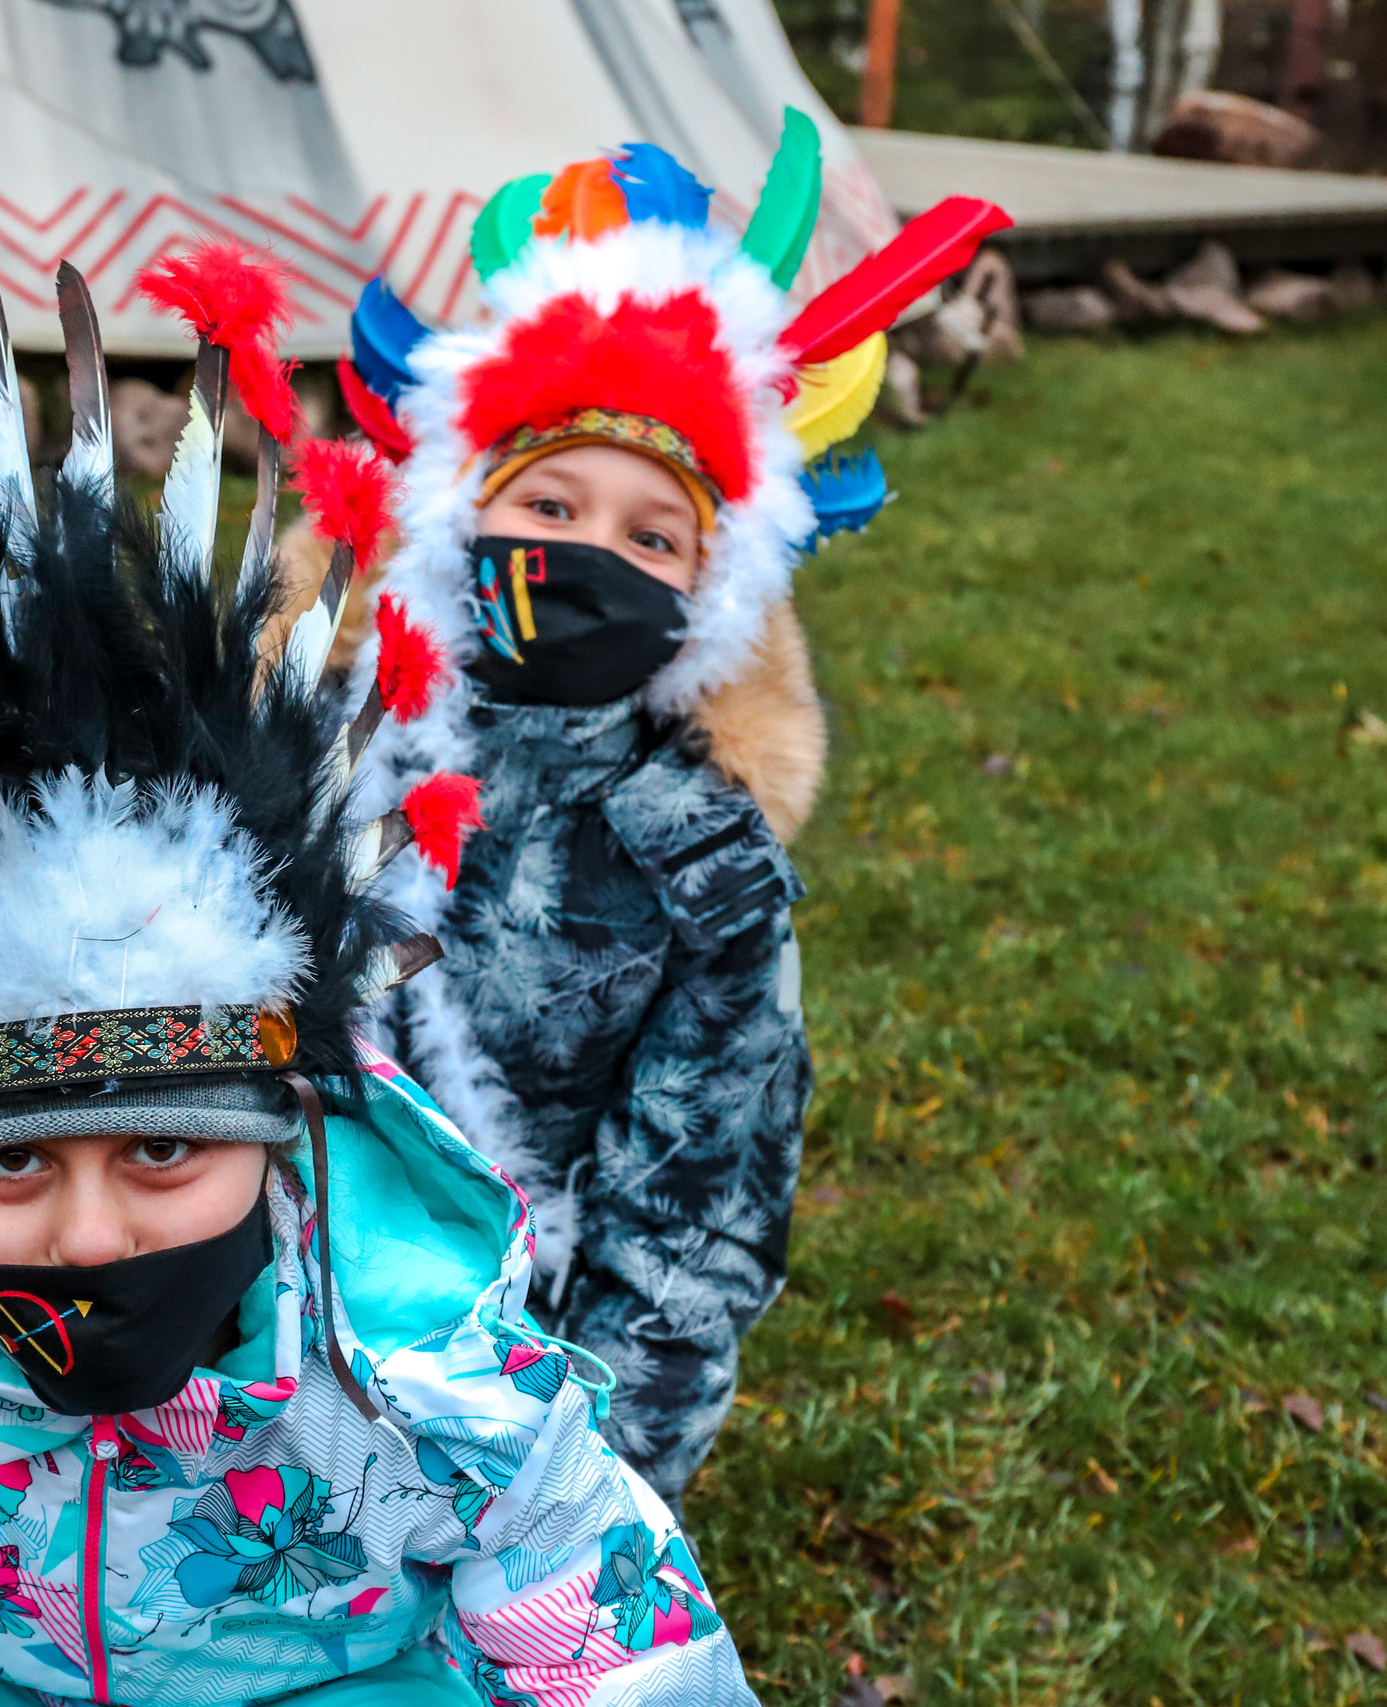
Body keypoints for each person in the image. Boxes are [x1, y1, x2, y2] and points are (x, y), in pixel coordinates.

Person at [0, 215, 762, 1707]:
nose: (88, 1239)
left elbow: (628, 1665)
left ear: (282, 1122)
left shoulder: (435, 1386)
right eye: (8, 1161)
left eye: (161, 1146)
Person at [338, 138, 1008, 1501]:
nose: (586, 554)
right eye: (549, 503)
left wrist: (590, 1487)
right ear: (456, 519)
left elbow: (695, 1213)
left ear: (709, 597)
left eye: (652, 537)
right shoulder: (315, 763)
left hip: (520, 1390)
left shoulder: (700, 862)